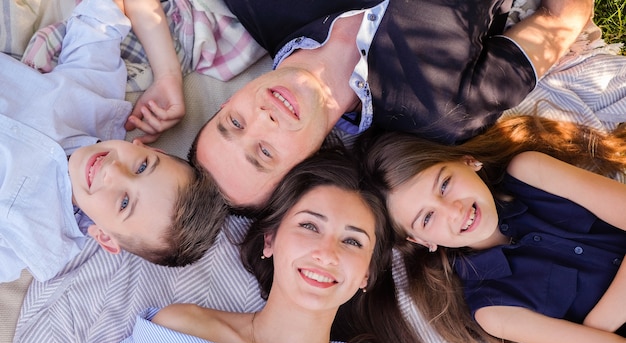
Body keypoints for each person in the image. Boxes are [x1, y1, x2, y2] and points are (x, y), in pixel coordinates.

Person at [48, 150, 464, 343]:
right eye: (309, 226)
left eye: (353, 240)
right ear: (270, 240)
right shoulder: (180, 331)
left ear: (366, 276)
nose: (327, 252)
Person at [172, 0, 593, 209]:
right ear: (308, 166)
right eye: (264, 152)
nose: (261, 119)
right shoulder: (443, 111)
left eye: (235, 123)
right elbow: (562, 19)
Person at [361, 115, 626, 343]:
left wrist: (596, 326)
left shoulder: (529, 171)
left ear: (468, 161)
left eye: (444, 184)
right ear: (421, 241)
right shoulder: (493, 309)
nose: (454, 210)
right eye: (428, 218)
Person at [0, 0, 226, 283]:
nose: (112, 171)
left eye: (123, 203)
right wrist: (168, 75)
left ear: (104, 237)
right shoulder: (95, 99)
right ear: (144, 147)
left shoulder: (33, 241)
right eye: (142, 167)